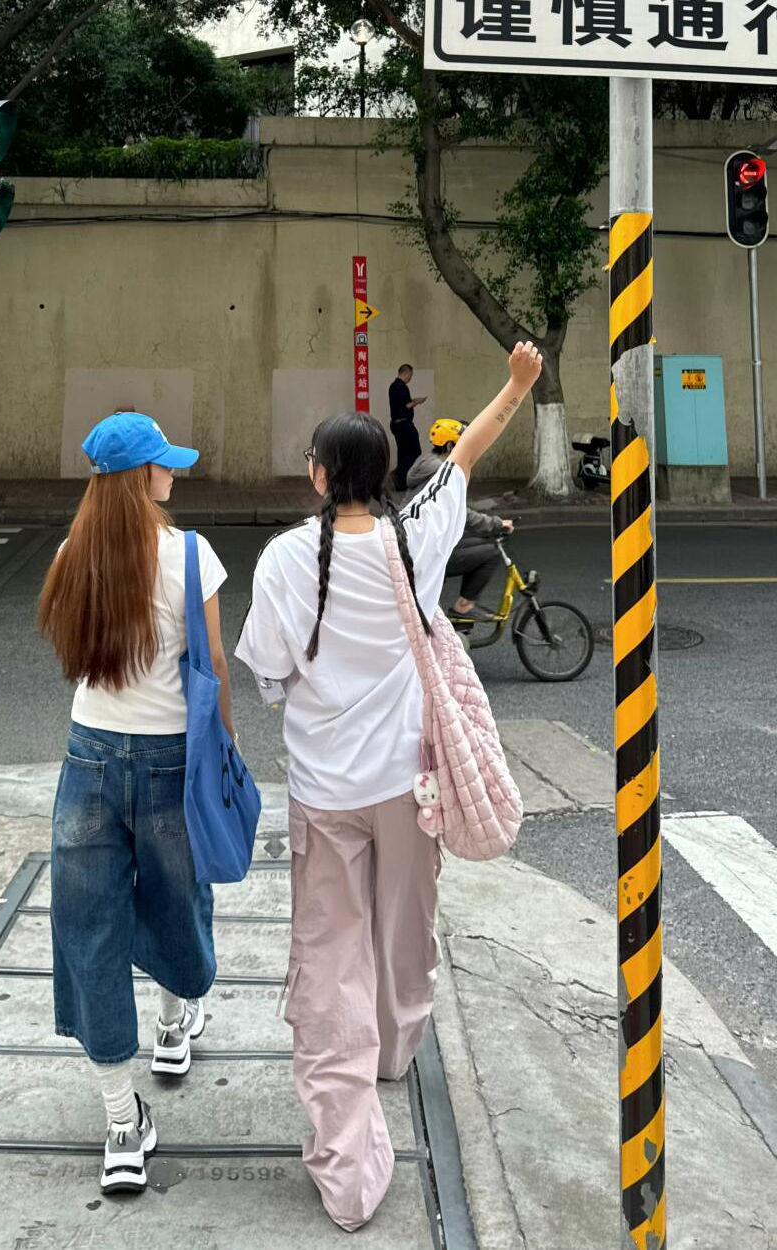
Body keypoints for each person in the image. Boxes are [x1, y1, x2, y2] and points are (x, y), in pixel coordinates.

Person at [236, 342, 542, 1232]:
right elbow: (467, 451)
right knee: (405, 927)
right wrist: (518, 385)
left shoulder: (287, 560)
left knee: (330, 956)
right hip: (412, 785)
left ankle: (347, 1163)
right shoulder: (420, 535)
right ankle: (396, 1048)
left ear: (320, 475)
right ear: (381, 477)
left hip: (325, 790)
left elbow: (268, 670)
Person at [37, 411, 235, 1196]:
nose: (173, 473)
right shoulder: (191, 554)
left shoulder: (71, 556)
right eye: (164, 463)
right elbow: (214, 670)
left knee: (89, 931)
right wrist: (226, 754)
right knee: (175, 897)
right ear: (140, 477)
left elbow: (75, 658)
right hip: (170, 760)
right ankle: (173, 1025)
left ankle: (123, 1125)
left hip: (88, 759)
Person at [407, 419, 515, 623]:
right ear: (450, 446)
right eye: (464, 444)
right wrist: (496, 524)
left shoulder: (427, 462)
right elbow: (462, 514)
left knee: (483, 543)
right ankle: (463, 608)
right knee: (492, 552)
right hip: (425, 552)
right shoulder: (441, 472)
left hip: (420, 542)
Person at [387, 364, 426, 490]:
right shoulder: (401, 387)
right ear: (406, 373)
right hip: (404, 424)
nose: (410, 378)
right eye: (410, 375)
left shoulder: (393, 386)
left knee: (404, 453)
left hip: (398, 424)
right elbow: (407, 405)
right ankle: (403, 478)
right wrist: (417, 402)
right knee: (413, 452)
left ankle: (400, 479)